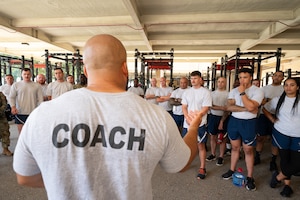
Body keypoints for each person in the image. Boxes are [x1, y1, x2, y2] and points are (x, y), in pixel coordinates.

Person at [13, 34, 203, 200]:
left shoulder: (42, 114)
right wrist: (193, 127)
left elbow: (24, 177)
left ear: (86, 71)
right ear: (124, 69)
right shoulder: (156, 116)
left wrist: (69, 184)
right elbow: (181, 163)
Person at [221, 68, 264, 191]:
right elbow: (229, 107)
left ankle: (250, 177)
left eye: (245, 77)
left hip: (249, 123)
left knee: (248, 150)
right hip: (234, 122)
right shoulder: (234, 90)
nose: (242, 80)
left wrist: (242, 93)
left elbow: (252, 105)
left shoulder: (258, 91)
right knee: (235, 147)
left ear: (251, 77)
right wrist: (246, 109)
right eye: (240, 77)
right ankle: (231, 169)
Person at [264, 78, 300, 198]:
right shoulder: (278, 100)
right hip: (281, 132)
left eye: (292, 85)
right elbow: (264, 108)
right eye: (286, 85)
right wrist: (272, 119)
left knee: (296, 163)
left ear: (298, 87)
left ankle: (278, 176)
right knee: (285, 160)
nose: (288, 87)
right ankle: (287, 186)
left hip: (298, 135)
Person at [181, 71, 212, 179]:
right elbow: (184, 106)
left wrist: (197, 117)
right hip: (187, 123)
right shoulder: (187, 92)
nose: (193, 80)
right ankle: (185, 162)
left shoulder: (205, 92)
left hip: (200, 124)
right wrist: (187, 117)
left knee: (201, 146)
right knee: (186, 145)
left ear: (200, 79)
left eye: (195, 78)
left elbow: (205, 108)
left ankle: (202, 168)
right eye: (192, 78)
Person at [254, 71, 284, 169]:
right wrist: (268, 100)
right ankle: (257, 156)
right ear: (272, 77)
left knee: (274, 139)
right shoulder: (264, 89)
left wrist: (269, 100)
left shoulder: (284, 89)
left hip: (278, 116)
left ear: (282, 78)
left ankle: (273, 160)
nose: (277, 77)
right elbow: (260, 102)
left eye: (280, 76)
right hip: (264, 114)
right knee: (260, 137)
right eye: (275, 75)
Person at [9, 68, 43, 133]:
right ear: (22, 75)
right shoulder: (16, 85)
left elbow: (40, 99)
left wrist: (40, 110)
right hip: (20, 112)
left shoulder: (37, 85)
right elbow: (11, 97)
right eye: (24, 74)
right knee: (21, 132)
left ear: (31, 75)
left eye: (28, 74)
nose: (26, 76)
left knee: (32, 132)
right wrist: (13, 107)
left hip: (33, 112)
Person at [206, 77, 229, 166]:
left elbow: (227, 109)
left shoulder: (228, 94)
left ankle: (221, 156)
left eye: (222, 82)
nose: (220, 83)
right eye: (219, 82)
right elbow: (210, 105)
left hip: (224, 117)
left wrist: (222, 121)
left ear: (225, 83)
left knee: (222, 138)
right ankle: (213, 154)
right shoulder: (212, 94)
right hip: (213, 117)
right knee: (212, 137)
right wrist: (221, 107)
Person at [0, 91, 13, 156]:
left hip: (1, 117)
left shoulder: (0, 94)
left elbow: (4, 104)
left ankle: (5, 149)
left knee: (5, 133)